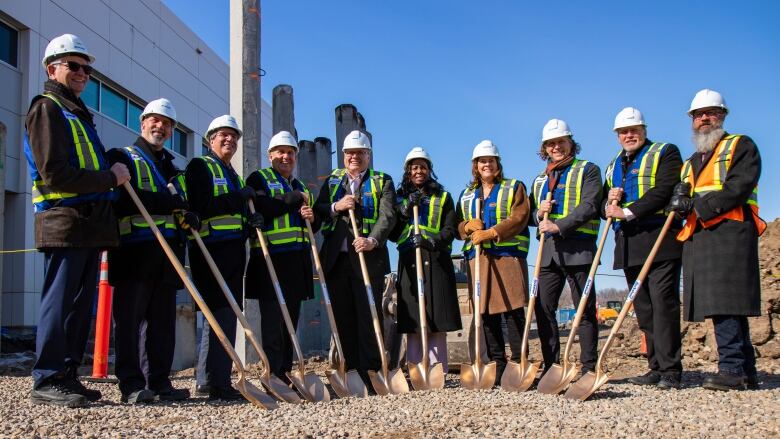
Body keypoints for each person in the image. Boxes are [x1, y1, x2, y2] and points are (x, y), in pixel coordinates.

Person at [24, 34, 131, 407]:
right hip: (65, 221)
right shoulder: (47, 108)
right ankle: (47, 377)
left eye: (86, 67)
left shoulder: (76, 112)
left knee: (78, 305)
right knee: (59, 301)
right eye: (74, 65)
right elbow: (54, 172)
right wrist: (110, 178)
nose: (82, 73)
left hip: (88, 224)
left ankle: (67, 375)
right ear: (52, 68)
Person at [667, 89, 766, 391]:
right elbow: (684, 192)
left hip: (730, 230)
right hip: (702, 236)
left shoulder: (740, 146)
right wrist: (678, 200)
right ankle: (745, 370)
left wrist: (696, 206)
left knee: (727, 301)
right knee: (722, 303)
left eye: (710, 113)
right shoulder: (690, 161)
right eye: (699, 115)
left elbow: (739, 186)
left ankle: (732, 369)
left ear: (722, 115)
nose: (704, 119)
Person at [107, 98, 196, 403]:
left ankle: (158, 382)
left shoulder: (172, 167)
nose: (161, 127)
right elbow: (121, 200)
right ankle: (131, 384)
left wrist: (187, 214)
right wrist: (168, 203)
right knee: (129, 323)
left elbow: (180, 205)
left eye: (167, 123)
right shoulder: (122, 156)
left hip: (167, 256)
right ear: (143, 122)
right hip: (134, 252)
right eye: (156, 121)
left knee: (162, 325)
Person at [604, 107, 684, 389]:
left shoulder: (665, 152)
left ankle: (671, 370)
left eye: (634, 130)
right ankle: (655, 366)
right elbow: (605, 208)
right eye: (623, 132)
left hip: (659, 239)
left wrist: (627, 212)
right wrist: (610, 203)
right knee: (644, 308)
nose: (629, 135)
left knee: (664, 305)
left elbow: (664, 189)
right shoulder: (613, 165)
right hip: (628, 245)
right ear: (617, 136)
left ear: (644, 130)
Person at [314, 130, 396, 388]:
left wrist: (372, 240)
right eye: (350, 153)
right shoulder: (332, 182)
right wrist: (336, 207)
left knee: (369, 316)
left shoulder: (382, 181)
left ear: (368, 156)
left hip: (367, 259)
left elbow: (388, 216)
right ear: (344, 156)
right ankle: (348, 371)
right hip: (336, 261)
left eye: (360, 153)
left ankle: (371, 371)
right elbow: (317, 213)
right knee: (342, 316)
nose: (354, 157)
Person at [185, 115, 260, 400]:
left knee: (228, 316)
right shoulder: (199, 166)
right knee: (215, 316)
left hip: (232, 252)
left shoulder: (232, 174)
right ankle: (211, 381)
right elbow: (201, 205)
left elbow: (233, 212)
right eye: (223, 135)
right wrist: (237, 198)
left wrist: (250, 222)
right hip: (210, 249)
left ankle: (217, 378)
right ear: (210, 139)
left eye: (234, 137)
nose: (229, 140)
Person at [530, 119, 601, 376]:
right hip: (547, 254)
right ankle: (552, 367)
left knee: (584, 309)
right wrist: (539, 214)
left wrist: (559, 226)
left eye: (561, 142)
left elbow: (590, 205)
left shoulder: (588, 170)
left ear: (571, 143)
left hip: (578, 249)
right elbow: (530, 216)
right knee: (543, 308)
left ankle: (588, 367)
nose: (556, 147)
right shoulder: (540, 179)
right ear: (545, 148)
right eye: (551, 144)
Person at [456, 140, 531, 385]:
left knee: (512, 309)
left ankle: (519, 362)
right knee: (485, 313)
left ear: (498, 163)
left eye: (490, 160)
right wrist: (466, 226)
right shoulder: (467, 195)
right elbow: (457, 226)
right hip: (478, 260)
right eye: (481, 161)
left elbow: (520, 217)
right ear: (475, 166)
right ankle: (498, 364)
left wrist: (492, 232)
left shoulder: (513, 187)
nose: (486, 164)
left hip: (507, 257)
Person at [245, 131, 315, 383]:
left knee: (290, 322)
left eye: (290, 152)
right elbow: (264, 207)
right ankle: (272, 372)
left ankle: (285, 372)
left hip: (297, 262)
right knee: (274, 321)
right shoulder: (258, 178)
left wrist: (310, 217)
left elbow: (309, 226)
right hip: (270, 258)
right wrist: (294, 200)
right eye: (280, 152)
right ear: (270, 155)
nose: (286, 157)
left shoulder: (301, 187)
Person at [389, 147, 461, 372]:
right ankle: (415, 365)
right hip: (410, 259)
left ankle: (438, 366)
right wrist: (404, 209)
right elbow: (392, 233)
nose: (418, 171)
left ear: (430, 170)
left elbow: (451, 229)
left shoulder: (443, 197)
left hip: (436, 258)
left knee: (436, 314)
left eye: (423, 166)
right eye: (414, 167)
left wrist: (431, 241)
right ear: (407, 171)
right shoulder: (399, 197)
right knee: (412, 314)